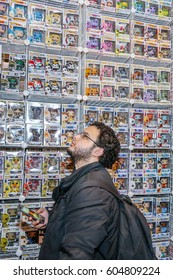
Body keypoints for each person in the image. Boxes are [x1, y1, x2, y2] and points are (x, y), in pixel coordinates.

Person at [32, 121, 121, 259]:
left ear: (98, 151)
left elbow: (77, 254)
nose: (76, 136)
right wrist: (51, 218)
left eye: (84, 136)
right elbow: (77, 222)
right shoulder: (83, 179)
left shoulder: (93, 192)